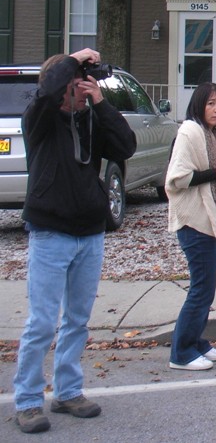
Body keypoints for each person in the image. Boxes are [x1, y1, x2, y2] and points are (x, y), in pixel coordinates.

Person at [13, 49, 136, 434]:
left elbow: (125, 146)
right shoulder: (40, 120)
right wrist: (71, 58)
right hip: (50, 233)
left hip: (90, 233)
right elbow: (48, 91)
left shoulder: (91, 119)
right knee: (42, 323)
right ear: (61, 85)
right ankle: (29, 401)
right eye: (76, 84)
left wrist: (100, 104)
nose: (81, 90)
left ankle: (67, 391)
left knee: (78, 322)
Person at [166, 82, 216, 370]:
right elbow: (177, 178)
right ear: (199, 105)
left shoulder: (212, 135)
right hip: (194, 220)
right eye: (211, 103)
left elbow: (211, 176)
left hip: (214, 217)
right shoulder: (190, 132)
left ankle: (196, 341)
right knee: (200, 287)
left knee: (207, 287)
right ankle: (181, 352)